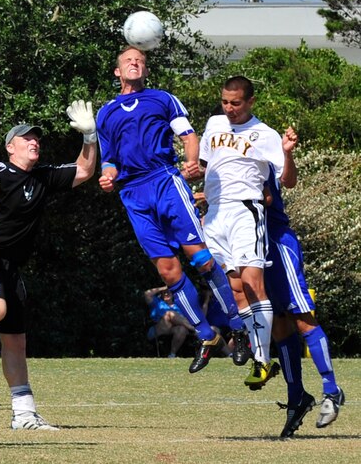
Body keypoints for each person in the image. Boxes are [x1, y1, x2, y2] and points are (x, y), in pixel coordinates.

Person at [95, 46, 249, 375]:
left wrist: (192, 159)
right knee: (167, 271)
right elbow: (108, 159)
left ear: (146, 70)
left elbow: (188, 134)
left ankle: (238, 327)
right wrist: (107, 177)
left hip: (165, 182)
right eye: (127, 60)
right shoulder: (106, 113)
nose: (135, 63)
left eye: (140, 60)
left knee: (200, 259)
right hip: (132, 194)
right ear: (117, 72)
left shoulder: (162, 98)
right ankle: (206, 336)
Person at [0, 99, 97, 431]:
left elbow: (85, 171)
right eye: (26, 138)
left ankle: (24, 415)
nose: (35, 142)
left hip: (12, 268)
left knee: (16, 342)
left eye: (37, 139)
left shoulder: (43, 177)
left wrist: (90, 135)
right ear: (10, 147)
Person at [199, 76, 284, 390]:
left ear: (250, 101)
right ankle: (258, 353)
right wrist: (195, 176)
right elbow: (206, 163)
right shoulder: (214, 124)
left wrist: (287, 154)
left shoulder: (265, 134)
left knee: (252, 281)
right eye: (225, 101)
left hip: (246, 209)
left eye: (236, 103)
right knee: (236, 288)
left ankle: (262, 360)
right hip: (216, 214)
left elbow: (284, 178)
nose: (229, 108)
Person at [261, 127, 345, 437]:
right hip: (252, 248)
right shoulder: (219, 156)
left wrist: (287, 153)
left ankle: (332, 390)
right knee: (279, 324)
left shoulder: (256, 149)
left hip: (276, 242)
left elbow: (272, 193)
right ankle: (297, 395)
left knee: (301, 318)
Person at [144, 286, 196, 358]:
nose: (166, 294)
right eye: (164, 292)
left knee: (182, 329)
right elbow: (147, 294)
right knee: (170, 313)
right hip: (158, 328)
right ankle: (195, 330)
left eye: (169, 292)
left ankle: (172, 355)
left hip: (172, 329)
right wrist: (164, 287)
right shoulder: (157, 302)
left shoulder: (179, 306)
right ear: (161, 294)